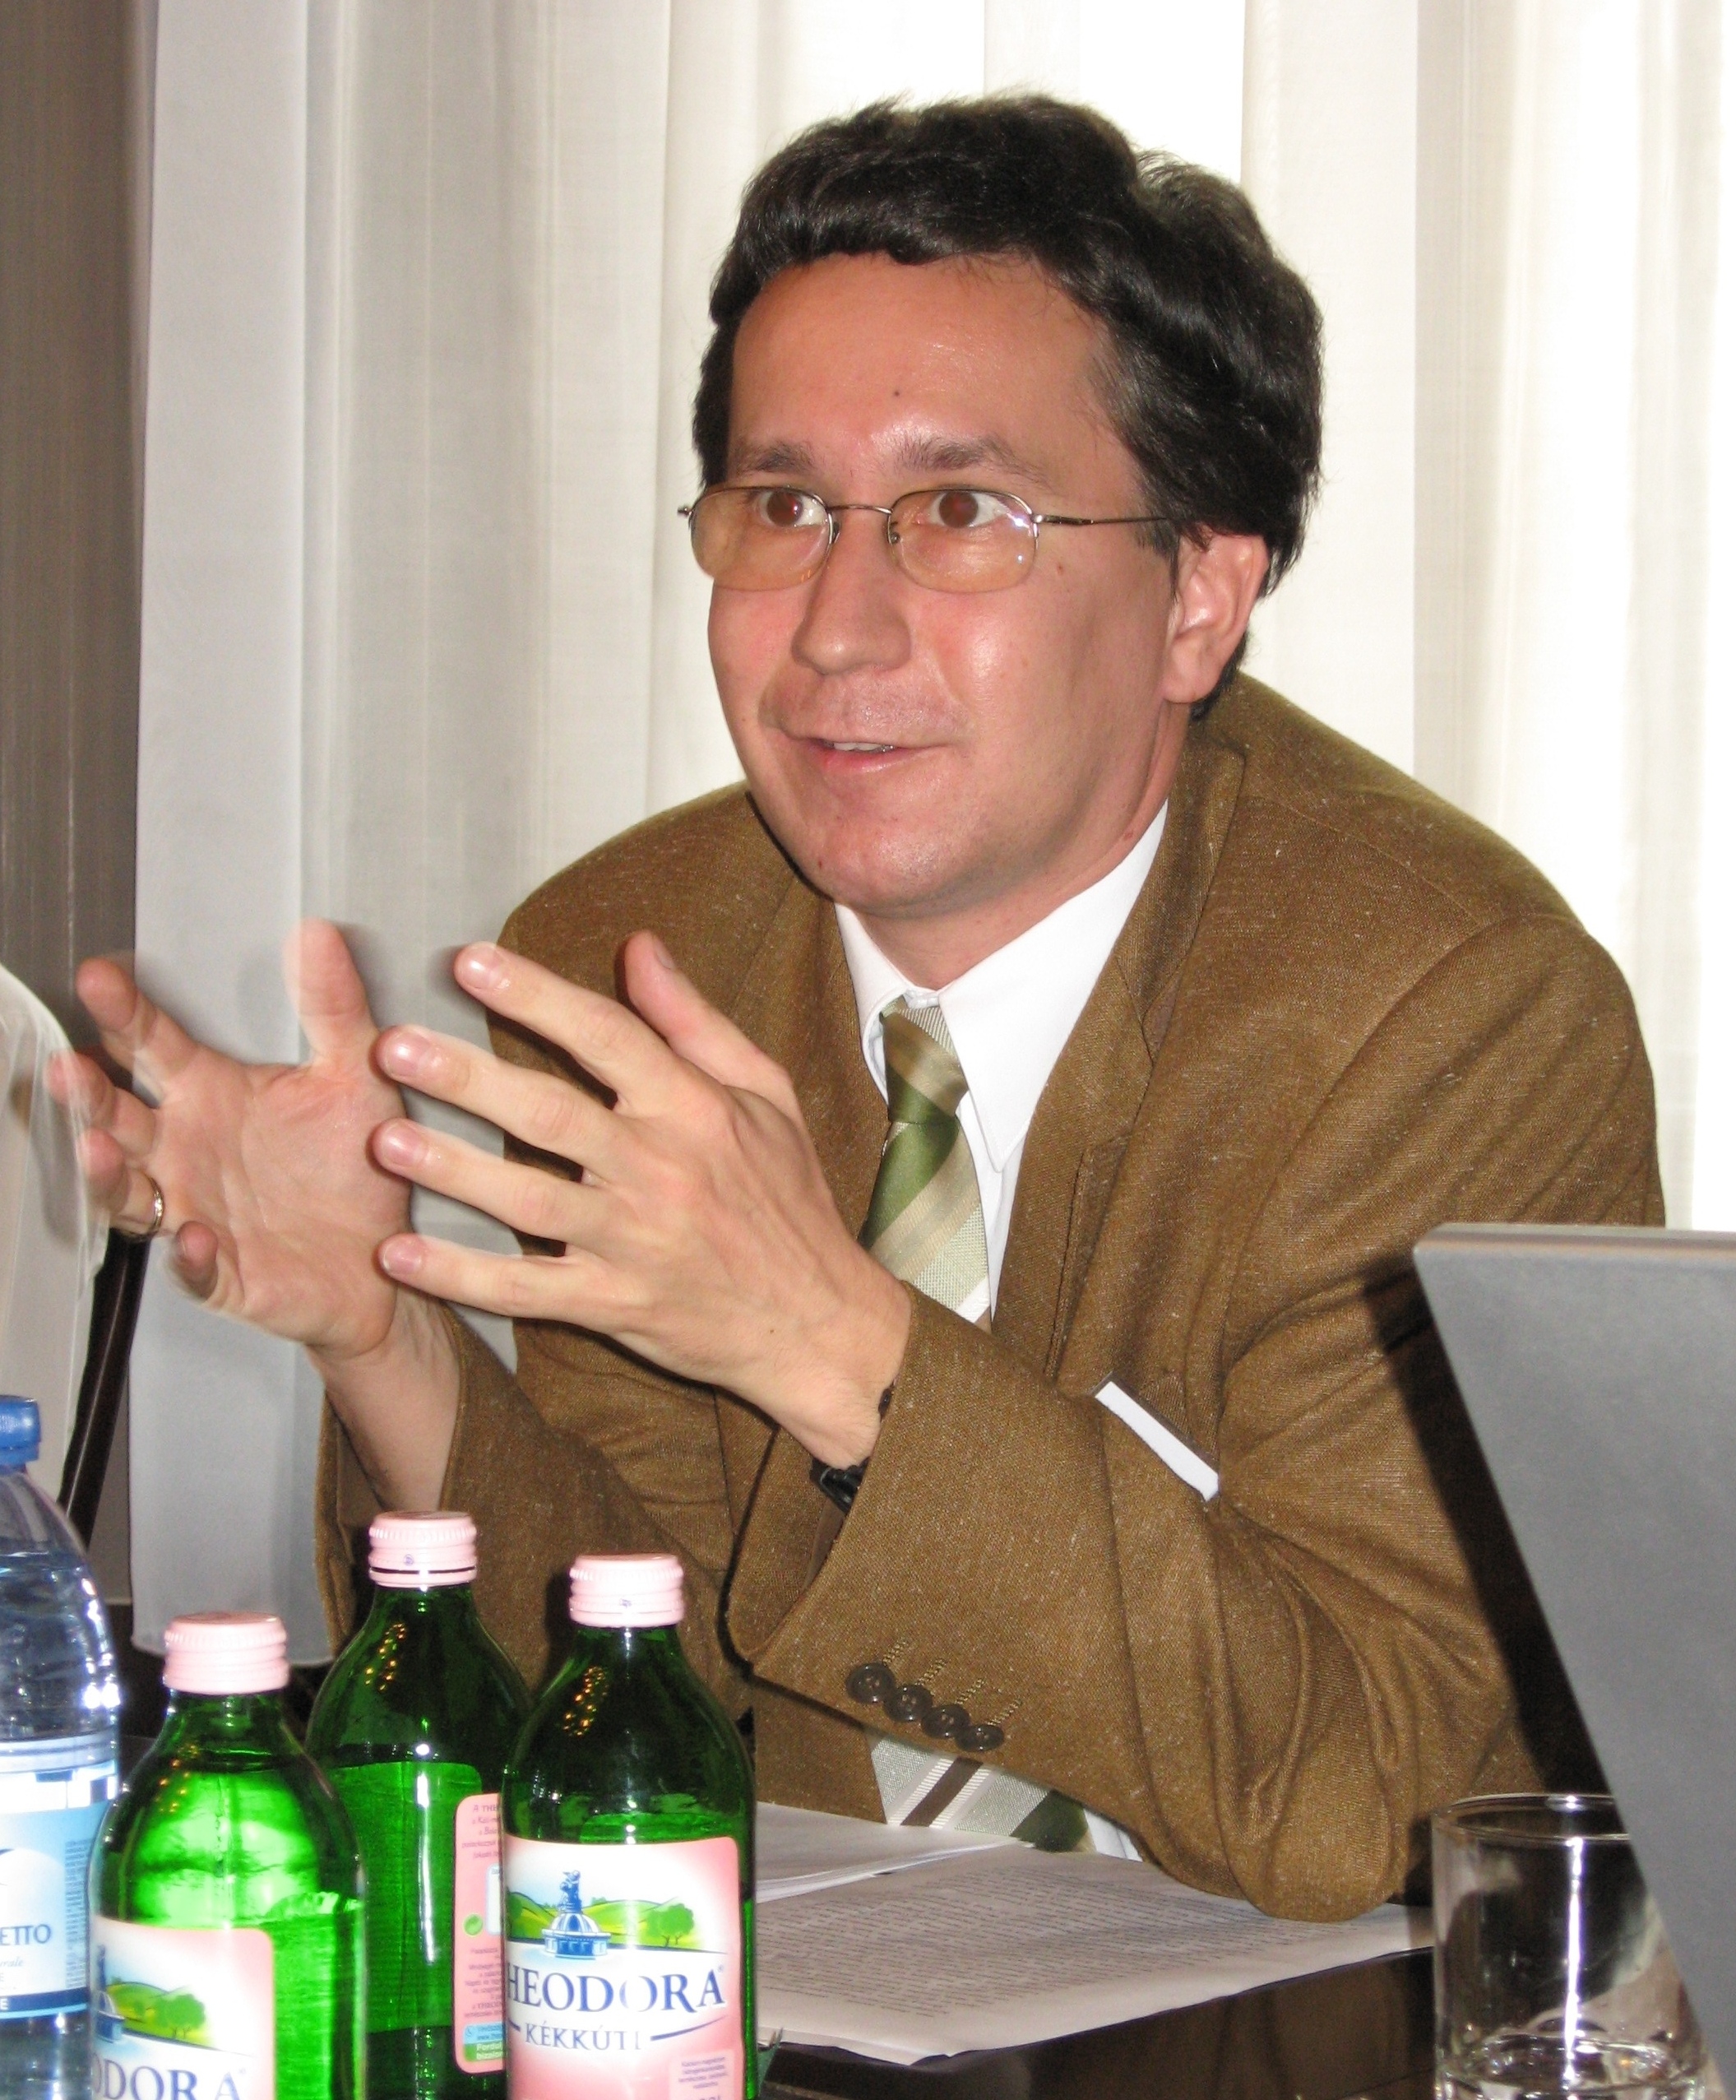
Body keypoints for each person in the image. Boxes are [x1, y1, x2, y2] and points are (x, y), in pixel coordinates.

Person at [56, 98, 1660, 1918]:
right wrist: (386, 1335)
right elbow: (648, 1684)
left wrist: (838, 1344)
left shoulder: (1446, 1013)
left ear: (1200, 595)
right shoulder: (632, 959)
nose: (834, 625)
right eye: (782, 507)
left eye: (959, 513)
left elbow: (1381, 1788)